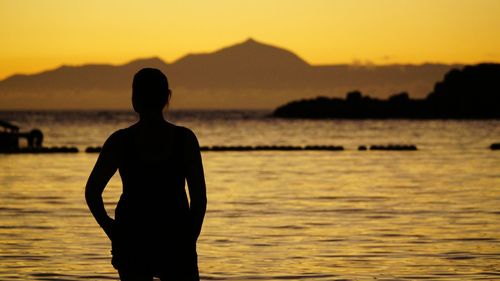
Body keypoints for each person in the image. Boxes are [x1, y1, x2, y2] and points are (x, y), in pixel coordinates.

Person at [85, 68, 207, 281]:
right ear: (167, 97)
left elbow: (92, 192)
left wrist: (111, 228)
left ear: (135, 99)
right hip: (175, 237)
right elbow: (199, 198)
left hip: (133, 237)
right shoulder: (185, 140)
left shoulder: (119, 141)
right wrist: (190, 237)